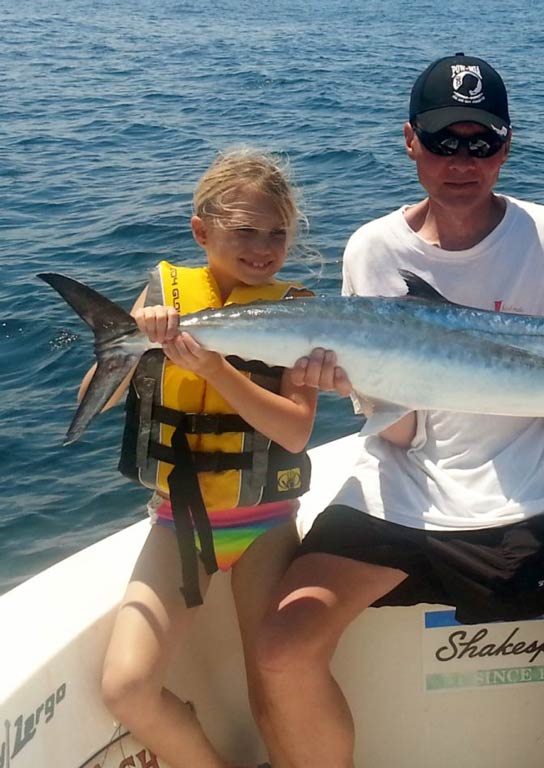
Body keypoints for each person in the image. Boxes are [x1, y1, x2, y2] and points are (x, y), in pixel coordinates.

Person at [254, 54, 544, 768]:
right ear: (410, 140)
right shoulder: (374, 248)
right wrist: (358, 386)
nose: (462, 161)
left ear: (506, 145)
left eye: (481, 142)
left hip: (529, 496)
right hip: (399, 492)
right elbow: (396, 432)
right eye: (444, 140)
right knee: (283, 650)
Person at [91, 148, 319, 768]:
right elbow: (98, 395)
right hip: (180, 522)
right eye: (244, 230)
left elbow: (296, 432)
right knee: (127, 686)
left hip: (267, 522)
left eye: (276, 232)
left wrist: (211, 368)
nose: (262, 247)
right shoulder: (166, 295)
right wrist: (131, 340)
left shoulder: (299, 308)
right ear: (202, 231)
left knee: (276, 685)